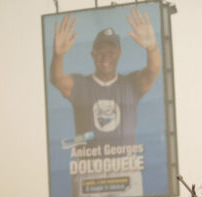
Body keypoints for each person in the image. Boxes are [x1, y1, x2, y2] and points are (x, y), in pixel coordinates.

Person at [50, 9, 161, 146]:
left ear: (119, 53)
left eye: (111, 52)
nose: (105, 57)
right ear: (92, 54)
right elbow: (57, 79)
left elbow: (152, 71)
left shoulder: (130, 84)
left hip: (127, 165)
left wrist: (152, 49)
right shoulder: (80, 85)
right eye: (100, 52)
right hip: (88, 166)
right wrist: (58, 56)